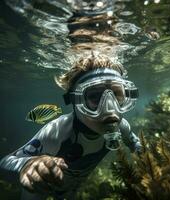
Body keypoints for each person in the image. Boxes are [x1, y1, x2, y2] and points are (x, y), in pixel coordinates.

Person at [0, 55, 141, 200]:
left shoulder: (122, 126)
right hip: (38, 190)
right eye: (94, 97)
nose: (110, 108)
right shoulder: (58, 132)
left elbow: (136, 144)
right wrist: (28, 165)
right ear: (75, 101)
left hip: (70, 192)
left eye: (117, 94)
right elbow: (5, 163)